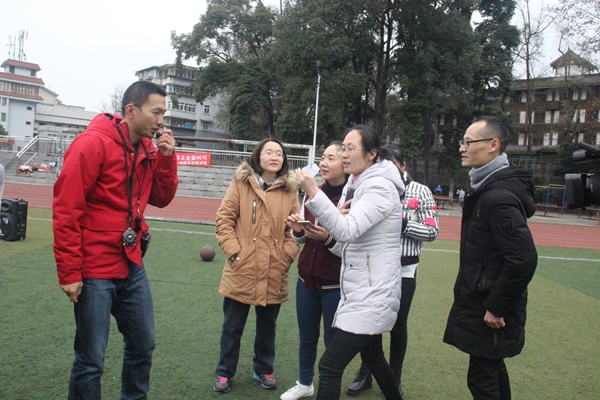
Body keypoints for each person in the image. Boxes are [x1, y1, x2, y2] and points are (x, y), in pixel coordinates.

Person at [53, 80, 179, 400]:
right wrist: (69, 272)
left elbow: (161, 198)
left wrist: (166, 158)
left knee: (143, 345)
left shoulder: (148, 148)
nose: (161, 121)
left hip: (130, 261)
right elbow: (67, 211)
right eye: (156, 112)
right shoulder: (91, 144)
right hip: (94, 268)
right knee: (91, 360)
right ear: (131, 111)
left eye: (164, 114)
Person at [295, 125, 404, 400]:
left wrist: (314, 193)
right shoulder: (357, 184)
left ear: (371, 154)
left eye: (350, 149)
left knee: (329, 366)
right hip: (360, 290)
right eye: (342, 148)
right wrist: (325, 236)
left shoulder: (378, 187)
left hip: (372, 294)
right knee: (374, 358)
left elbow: (346, 230)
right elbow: (346, 244)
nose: (344, 154)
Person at [443, 116, 538, 400]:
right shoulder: (485, 189)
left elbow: (523, 260)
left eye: (469, 142)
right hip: (482, 301)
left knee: (482, 380)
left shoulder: (498, 197)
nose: (462, 148)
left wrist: (496, 307)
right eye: (462, 141)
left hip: (491, 308)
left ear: (493, 145)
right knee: (491, 371)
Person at [347, 143, 439, 398]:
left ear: (403, 165)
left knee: (398, 324)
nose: (385, 169)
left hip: (404, 268)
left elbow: (432, 230)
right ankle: (367, 371)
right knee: (370, 322)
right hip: (372, 266)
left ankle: (393, 376)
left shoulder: (419, 191)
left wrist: (402, 222)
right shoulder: (369, 186)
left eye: (391, 164)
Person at [214, 138, 300, 394]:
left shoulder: (289, 190)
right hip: (241, 269)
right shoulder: (240, 184)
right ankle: (224, 372)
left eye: (279, 154)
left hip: (274, 269)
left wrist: (286, 257)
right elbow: (224, 221)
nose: (274, 157)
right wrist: (235, 254)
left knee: (267, 329)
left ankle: (264, 369)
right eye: (269, 152)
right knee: (232, 327)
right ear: (258, 156)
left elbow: (294, 231)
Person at [281, 141, 347, 400]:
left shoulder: (351, 198)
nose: (324, 163)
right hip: (306, 281)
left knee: (333, 342)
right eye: (323, 158)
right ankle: (305, 383)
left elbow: (350, 247)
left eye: (331, 158)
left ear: (345, 163)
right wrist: (297, 230)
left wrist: (327, 238)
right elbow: (300, 239)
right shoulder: (312, 192)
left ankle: (329, 388)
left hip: (335, 285)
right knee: (307, 338)